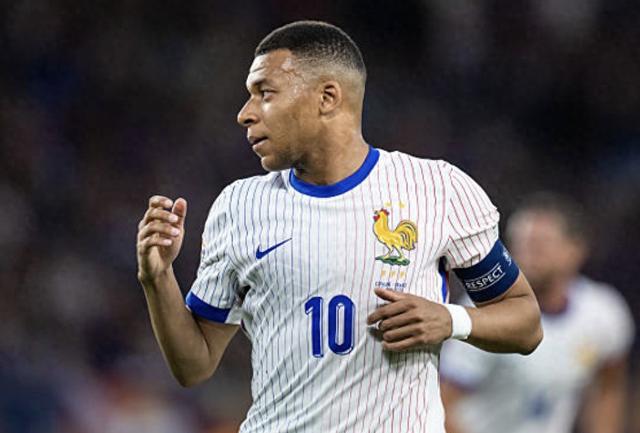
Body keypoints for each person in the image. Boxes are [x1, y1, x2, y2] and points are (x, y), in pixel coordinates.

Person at [136, 20, 542, 432]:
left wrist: (451, 320)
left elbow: (525, 321)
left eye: (265, 93)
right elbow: (194, 365)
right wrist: (158, 278)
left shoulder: (438, 189)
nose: (245, 114)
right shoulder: (239, 206)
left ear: (327, 97)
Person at [440, 193, 635, 433]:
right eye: (519, 244)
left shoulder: (603, 313)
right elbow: (442, 406)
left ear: (575, 250)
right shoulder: (484, 313)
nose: (526, 256)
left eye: (539, 245)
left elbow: (609, 386)